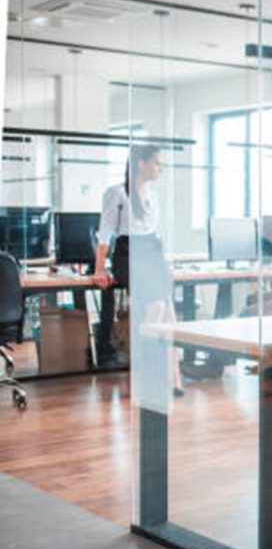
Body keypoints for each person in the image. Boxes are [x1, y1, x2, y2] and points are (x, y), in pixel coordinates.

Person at [92, 145, 183, 395]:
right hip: (128, 252)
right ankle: (145, 372)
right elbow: (105, 233)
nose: (160, 169)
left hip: (153, 251)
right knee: (156, 307)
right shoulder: (117, 193)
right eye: (157, 164)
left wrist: (165, 264)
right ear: (141, 163)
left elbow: (155, 233)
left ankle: (174, 380)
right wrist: (100, 268)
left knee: (169, 314)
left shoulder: (152, 194)